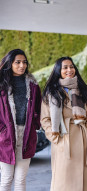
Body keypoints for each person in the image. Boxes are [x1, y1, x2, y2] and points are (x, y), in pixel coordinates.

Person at [40, 57, 87, 191]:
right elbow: (45, 119)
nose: (69, 70)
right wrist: (54, 137)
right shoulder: (51, 92)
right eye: (65, 67)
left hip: (82, 139)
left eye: (71, 66)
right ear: (58, 70)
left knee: (85, 183)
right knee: (63, 182)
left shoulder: (82, 90)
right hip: (63, 140)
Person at [0, 49, 42, 191]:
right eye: (17, 62)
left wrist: (35, 125)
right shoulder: (1, 85)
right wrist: (2, 129)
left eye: (24, 62)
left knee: (20, 179)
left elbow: (39, 108)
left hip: (26, 135)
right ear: (9, 63)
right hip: (6, 136)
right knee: (6, 178)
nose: (21, 66)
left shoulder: (33, 85)